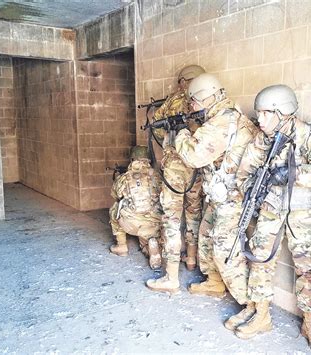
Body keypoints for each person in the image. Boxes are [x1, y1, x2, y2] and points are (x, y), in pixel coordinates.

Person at [234, 85, 311, 352]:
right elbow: (244, 172)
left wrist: (293, 174)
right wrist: (252, 192)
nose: (260, 119)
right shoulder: (262, 139)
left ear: (284, 112)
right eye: (259, 114)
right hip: (270, 210)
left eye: (266, 114)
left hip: (302, 214)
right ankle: (262, 315)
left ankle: (310, 323)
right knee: (259, 260)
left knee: (308, 269)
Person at [174, 73, 258, 303]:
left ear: (204, 98)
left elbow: (193, 156)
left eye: (193, 101)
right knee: (206, 234)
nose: (191, 106)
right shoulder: (225, 116)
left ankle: (249, 303)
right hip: (222, 194)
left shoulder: (221, 121)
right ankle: (215, 281)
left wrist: (181, 134)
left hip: (233, 197)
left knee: (224, 247)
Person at [145, 65, 205, 293]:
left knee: (170, 219)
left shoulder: (176, 99)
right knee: (194, 212)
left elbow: (157, 125)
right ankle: (191, 259)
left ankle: (171, 277)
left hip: (176, 168)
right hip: (197, 168)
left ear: (184, 81)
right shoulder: (206, 101)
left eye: (181, 81)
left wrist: (170, 142)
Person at [109, 145, 163, 270]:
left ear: (132, 159)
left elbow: (115, 195)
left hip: (132, 223)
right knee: (147, 234)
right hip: (156, 222)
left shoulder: (125, 177)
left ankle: (121, 246)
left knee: (115, 209)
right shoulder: (157, 176)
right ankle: (151, 246)